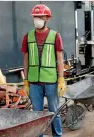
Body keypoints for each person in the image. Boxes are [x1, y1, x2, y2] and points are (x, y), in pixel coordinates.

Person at [21, 4, 66, 137]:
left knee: (54, 111)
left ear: (47, 18)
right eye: (35, 17)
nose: (37, 19)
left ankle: (57, 135)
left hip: (51, 80)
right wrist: (26, 81)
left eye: (40, 16)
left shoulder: (55, 36)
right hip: (34, 82)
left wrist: (61, 79)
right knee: (37, 114)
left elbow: (59, 60)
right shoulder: (27, 37)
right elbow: (26, 60)